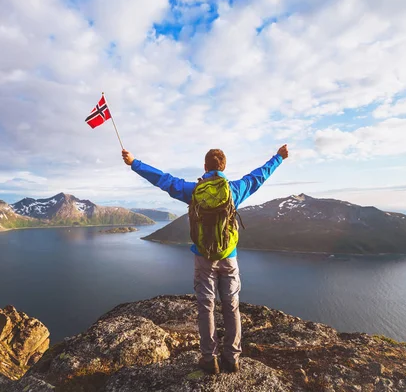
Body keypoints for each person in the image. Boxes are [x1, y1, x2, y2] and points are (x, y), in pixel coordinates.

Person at [122, 145, 289, 374]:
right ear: (224, 167)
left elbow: (164, 180)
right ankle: (232, 358)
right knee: (231, 306)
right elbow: (258, 176)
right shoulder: (234, 189)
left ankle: (210, 359)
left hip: (203, 258)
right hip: (229, 258)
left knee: (206, 307)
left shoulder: (194, 190)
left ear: (205, 167)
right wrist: (278, 157)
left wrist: (134, 163)